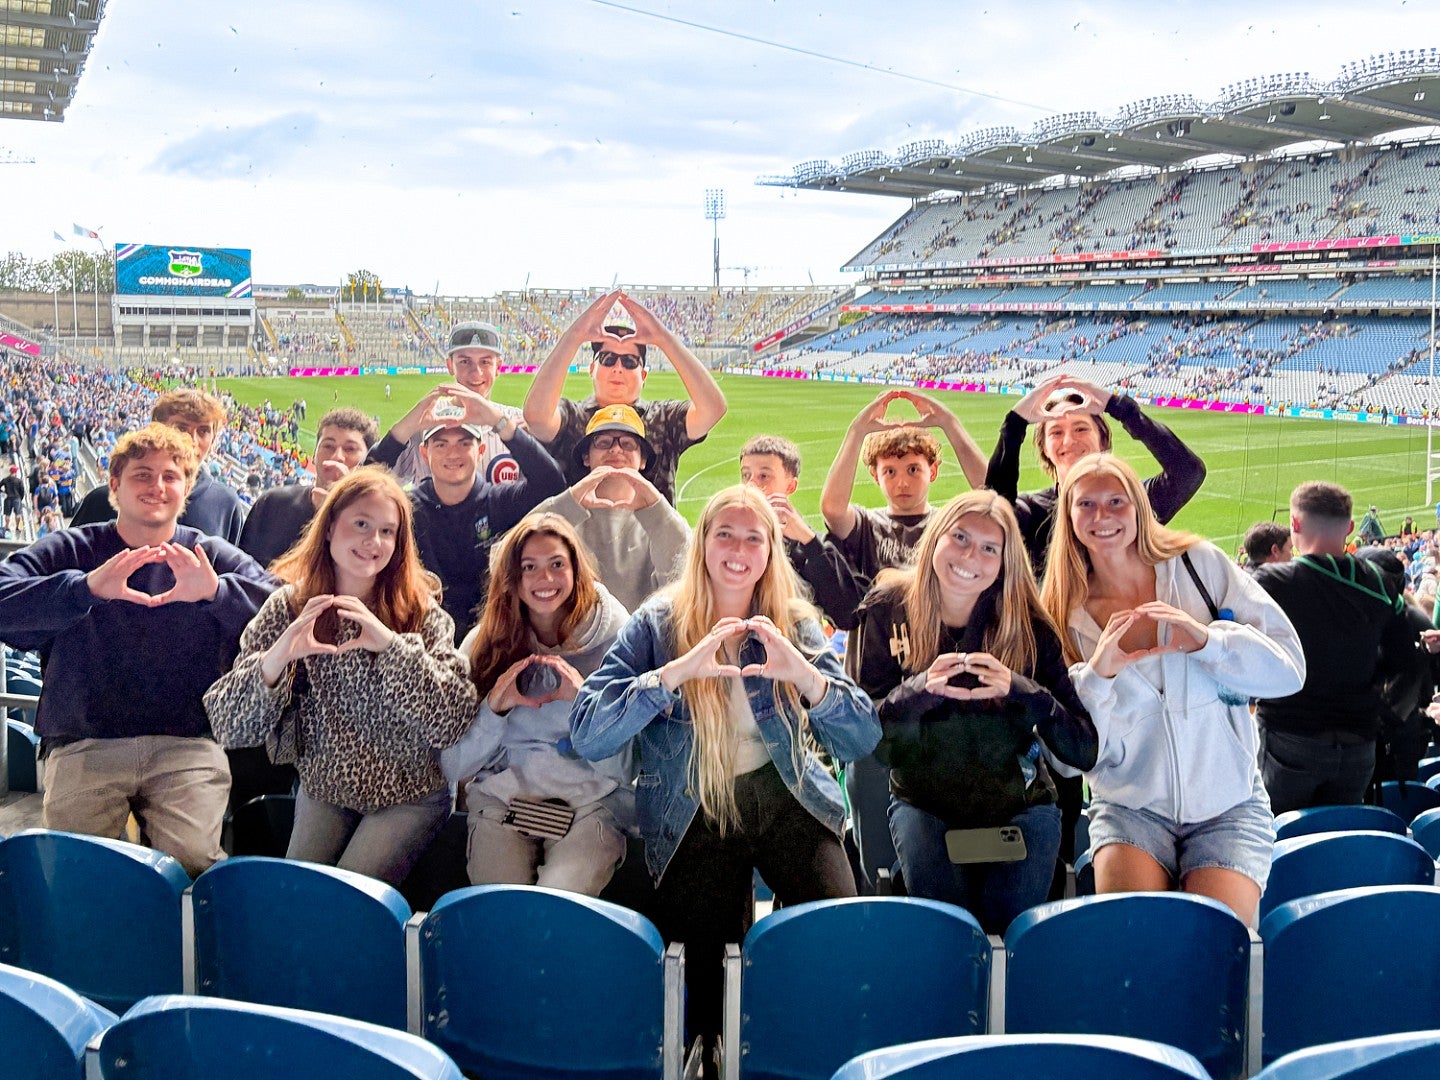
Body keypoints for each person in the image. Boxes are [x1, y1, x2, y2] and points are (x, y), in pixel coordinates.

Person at [570, 485, 881, 1056]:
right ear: (703, 543)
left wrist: (806, 678)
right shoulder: (658, 622)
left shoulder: (793, 623)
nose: (738, 549)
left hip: (787, 798)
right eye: (725, 534)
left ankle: (813, 1051)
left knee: (835, 938)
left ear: (770, 552)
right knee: (704, 987)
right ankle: (713, 1054)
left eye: (753, 538)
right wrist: (672, 675)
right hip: (695, 805)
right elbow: (588, 732)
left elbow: (862, 738)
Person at [1040, 454, 1304, 925]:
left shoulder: (1199, 566)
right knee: (1139, 943)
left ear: (1139, 505)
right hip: (1128, 808)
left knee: (1215, 945)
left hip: (1228, 805)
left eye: (1116, 501)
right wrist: (1097, 676)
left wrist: (1209, 642)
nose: (1103, 517)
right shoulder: (1059, 611)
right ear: (1068, 515)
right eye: (1087, 505)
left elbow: (1289, 671)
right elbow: (1062, 756)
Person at [0, 423, 275, 875]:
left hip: (186, 741)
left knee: (192, 864)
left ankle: (175, 946)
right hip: (84, 739)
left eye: (170, 476)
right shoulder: (75, 548)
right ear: (115, 486)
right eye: (142, 475)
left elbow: (282, 608)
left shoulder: (207, 555)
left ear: (186, 488)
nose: (157, 486)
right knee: (78, 869)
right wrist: (84, 588)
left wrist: (216, 593)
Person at [204, 468, 477, 885]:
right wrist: (278, 658)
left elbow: (452, 721)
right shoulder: (290, 607)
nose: (374, 542)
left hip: (409, 795)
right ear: (330, 528)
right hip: (325, 788)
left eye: (388, 531)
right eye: (361, 524)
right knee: (299, 892)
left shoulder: (419, 613)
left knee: (348, 896)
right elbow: (229, 725)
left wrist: (390, 646)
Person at [853, 490, 1096, 931]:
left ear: (1006, 562)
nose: (971, 556)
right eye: (960, 538)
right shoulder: (888, 610)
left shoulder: (1029, 625)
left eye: (990, 548)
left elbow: (1083, 748)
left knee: (1011, 937)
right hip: (925, 805)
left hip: (1020, 808)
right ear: (935, 539)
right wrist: (920, 690)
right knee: (950, 938)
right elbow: (868, 740)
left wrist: (1021, 689)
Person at [441, 514, 633, 894]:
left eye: (557, 564)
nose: (544, 579)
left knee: (561, 896)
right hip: (505, 799)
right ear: (512, 578)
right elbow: (453, 765)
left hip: (590, 801)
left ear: (577, 570)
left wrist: (584, 709)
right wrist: (495, 710)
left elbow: (629, 769)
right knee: (502, 901)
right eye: (529, 567)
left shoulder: (617, 637)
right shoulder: (485, 643)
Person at [1252, 482, 1415, 814]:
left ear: (1295, 525)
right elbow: (1407, 661)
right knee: (1337, 842)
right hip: (1358, 748)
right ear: (1351, 528)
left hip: (1289, 741)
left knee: (1277, 844)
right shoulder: (1380, 585)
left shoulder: (1272, 584)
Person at [985, 373, 1206, 577]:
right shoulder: (1033, 510)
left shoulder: (1132, 503)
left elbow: (1188, 472)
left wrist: (1119, 407)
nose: (1069, 441)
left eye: (1081, 429)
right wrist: (1015, 425)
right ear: (1044, 447)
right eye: (1056, 432)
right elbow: (992, 512)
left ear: (1103, 439)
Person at [522, 290, 727, 504]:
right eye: (608, 359)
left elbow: (712, 409)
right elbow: (537, 417)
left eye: (629, 362)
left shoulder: (663, 418)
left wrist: (665, 339)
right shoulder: (572, 415)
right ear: (592, 368)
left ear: (643, 375)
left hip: (651, 536)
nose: (618, 368)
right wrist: (573, 337)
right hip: (578, 536)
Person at [408, 412, 567, 642]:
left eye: (464, 443)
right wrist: (404, 428)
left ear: (481, 451)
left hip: (496, 637)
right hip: (425, 636)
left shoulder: (499, 501)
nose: (453, 453)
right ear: (424, 453)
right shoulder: (406, 508)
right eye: (441, 444)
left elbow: (551, 483)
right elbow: (362, 481)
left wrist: (500, 424)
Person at [531, 404, 689, 613]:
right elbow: (505, 560)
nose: (616, 450)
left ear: (643, 460)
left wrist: (656, 510)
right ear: (586, 458)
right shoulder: (565, 515)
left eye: (627, 444)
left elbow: (685, 579)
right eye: (603, 443)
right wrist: (568, 503)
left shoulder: (658, 521)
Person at [821, 390, 987, 581]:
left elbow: (995, 499)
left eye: (913, 469)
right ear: (875, 475)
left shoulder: (948, 524)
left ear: (932, 471)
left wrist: (950, 423)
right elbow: (833, 509)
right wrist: (856, 432)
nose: (902, 483)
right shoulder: (867, 526)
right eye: (890, 472)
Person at [71, 389, 248, 544]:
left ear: (214, 439)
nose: (192, 440)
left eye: (203, 431)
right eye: (181, 428)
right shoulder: (103, 499)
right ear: (157, 429)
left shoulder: (226, 504)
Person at [367, 321, 524, 485]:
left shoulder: (518, 422)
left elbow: (544, 490)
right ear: (450, 365)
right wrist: (405, 429)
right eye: (465, 361)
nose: (476, 372)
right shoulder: (425, 420)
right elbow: (366, 481)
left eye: (485, 362)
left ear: (498, 367)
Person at [740, 434, 867, 631]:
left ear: (790, 486)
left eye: (764, 476)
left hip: (796, 653)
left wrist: (809, 541)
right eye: (746, 475)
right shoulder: (726, 538)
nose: (752, 484)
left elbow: (848, 615)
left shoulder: (807, 547)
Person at [239, 407, 379, 570]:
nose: (337, 457)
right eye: (328, 446)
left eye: (350, 449)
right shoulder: (272, 504)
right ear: (314, 454)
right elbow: (241, 575)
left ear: (368, 462)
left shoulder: (374, 528)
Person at [1, 464, 25, 534]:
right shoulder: (19, 481)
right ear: (16, 472)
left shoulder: (5, 480)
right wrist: (21, 498)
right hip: (17, 498)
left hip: (8, 497)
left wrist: (3, 492)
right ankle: (17, 527)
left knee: (7, 514)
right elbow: (22, 490)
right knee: (18, 514)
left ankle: (7, 526)